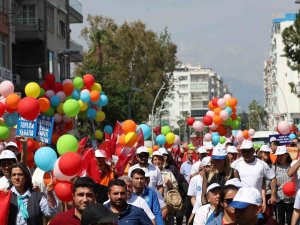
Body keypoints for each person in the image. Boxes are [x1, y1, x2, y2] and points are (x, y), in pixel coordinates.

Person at [231, 140, 277, 205]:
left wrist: (273, 195)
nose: (246, 153)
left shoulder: (262, 164)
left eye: (248, 151)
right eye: (243, 151)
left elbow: (273, 178)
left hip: (256, 202)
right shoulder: (235, 164)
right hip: (241, 201)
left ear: (253, 151)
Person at [272, 146, 294, 225]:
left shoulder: (293, 165)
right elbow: (271, 182)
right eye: (278, 155)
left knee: (290, 221)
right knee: (280, 221)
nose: (279, 157)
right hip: (280, 198)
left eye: (281, 155)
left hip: (292, 199)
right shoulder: (274, 167)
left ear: (286, 155)